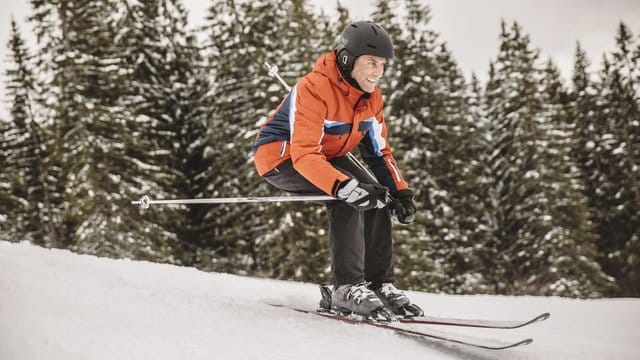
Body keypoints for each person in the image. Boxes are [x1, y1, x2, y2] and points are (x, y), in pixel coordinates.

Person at [253, 20, 422, 318]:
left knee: (378, 196)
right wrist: (343, 187)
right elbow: (304, 154)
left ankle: (378, 283)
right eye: (371, 62)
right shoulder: (315, 88)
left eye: (383, 64)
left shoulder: (372, 98)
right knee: (347, 197)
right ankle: (347, 288)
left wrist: (400, 191)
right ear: (347, 59)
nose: (378, 72)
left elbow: (379, 152)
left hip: (327, 154)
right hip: (282, 156)